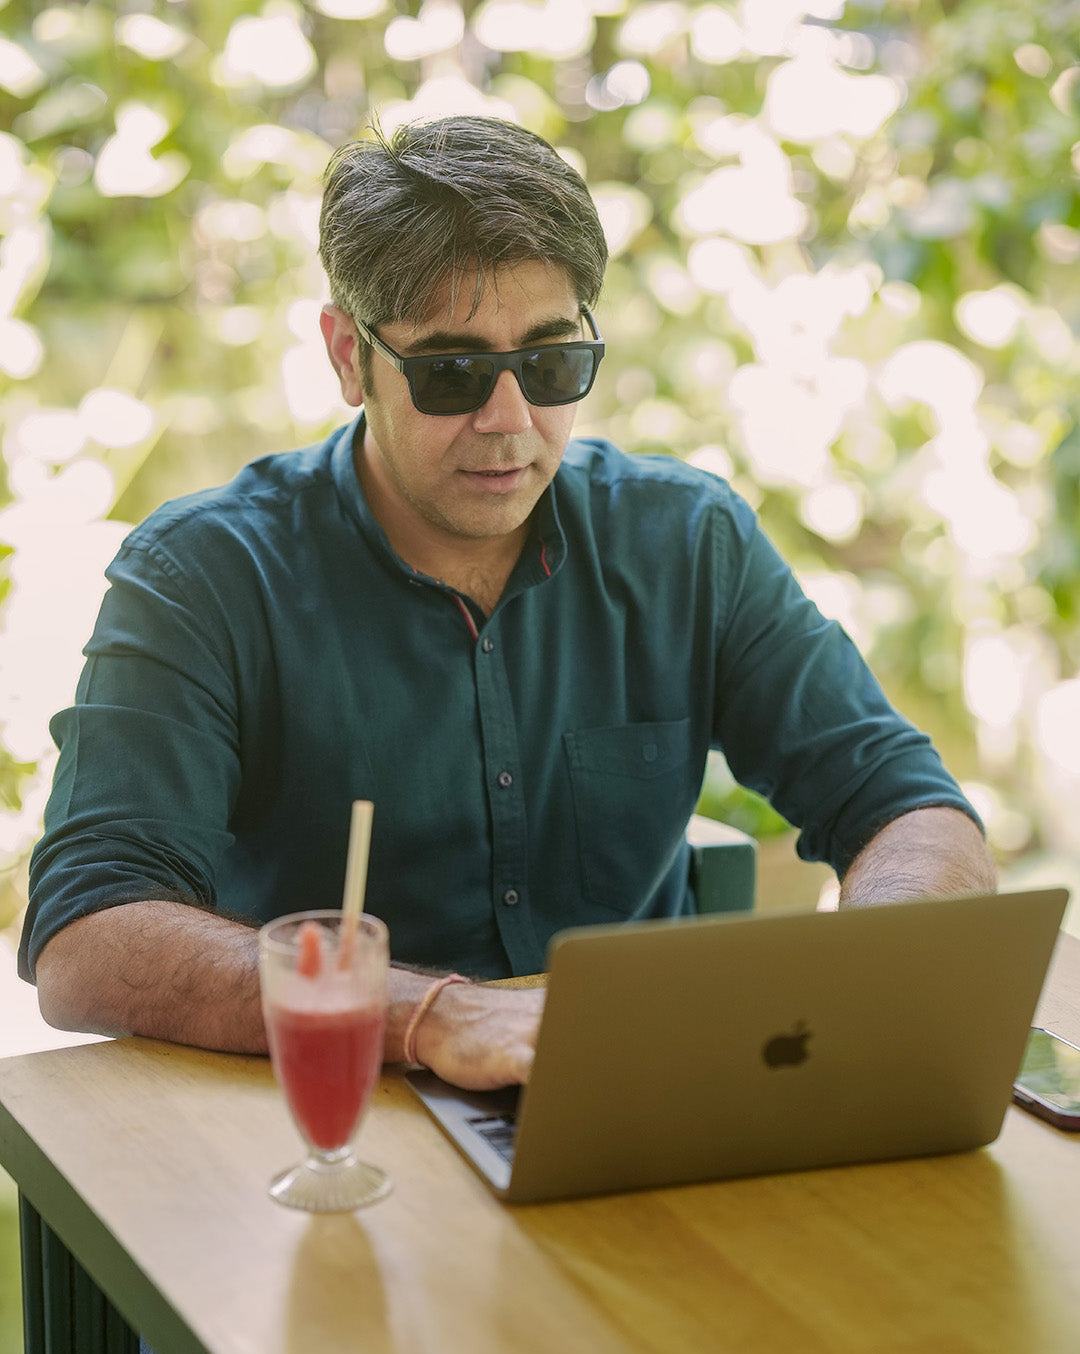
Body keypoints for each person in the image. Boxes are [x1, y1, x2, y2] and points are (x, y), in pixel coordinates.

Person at [19, 114, 995, 1094]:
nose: (510, 422)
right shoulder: (209, 575)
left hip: (626, 1102)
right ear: (348, 356)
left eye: (551, 365)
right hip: (329, 1127)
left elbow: (903, 803)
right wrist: (428, 1016)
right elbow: (86, 935)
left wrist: (878, 984)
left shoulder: (687, 543)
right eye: (451, 373)